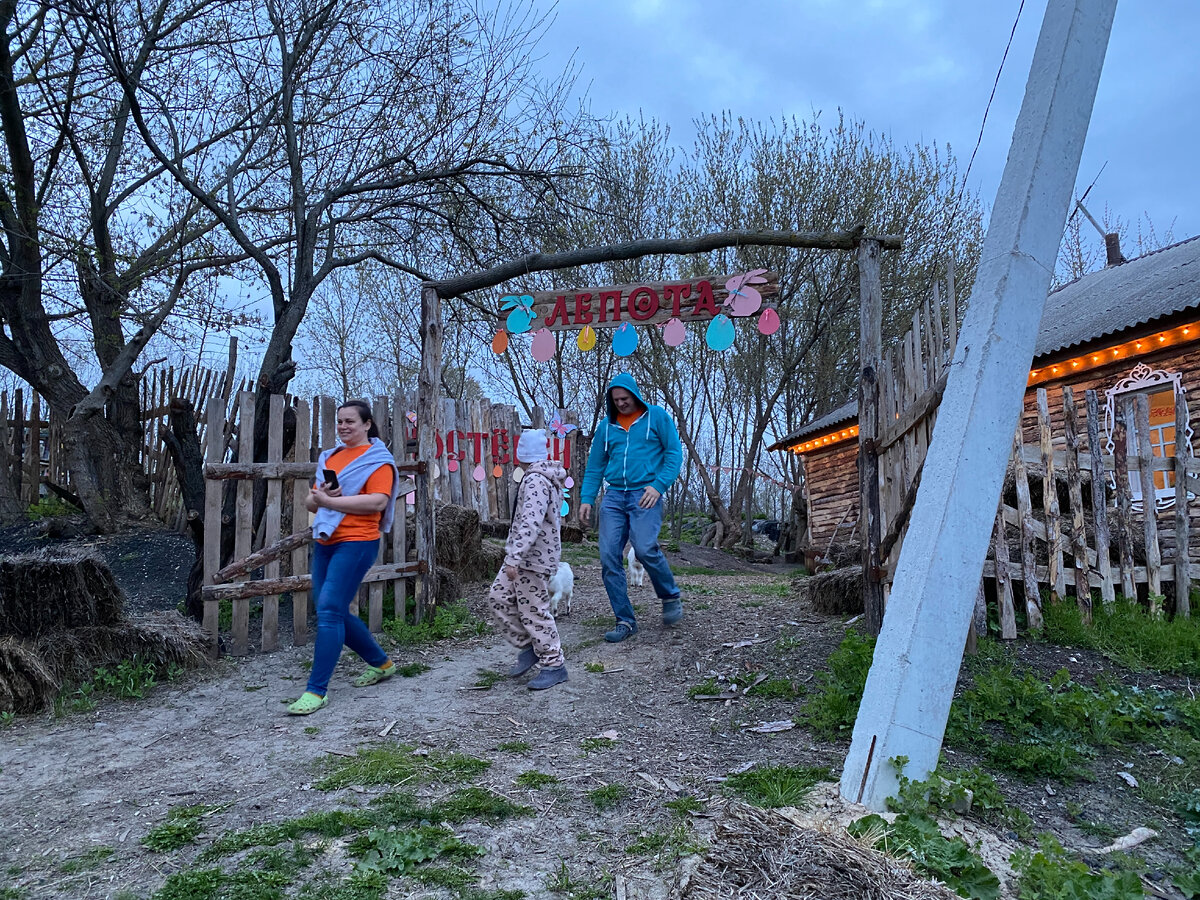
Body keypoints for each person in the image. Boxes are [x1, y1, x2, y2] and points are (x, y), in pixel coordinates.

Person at [287, 400, 401, 715]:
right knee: (333, 609)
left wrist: (332, 502)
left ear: (367, 424)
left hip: (358, 542)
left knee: (328, 611)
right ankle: (382, 664)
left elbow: (378, 501)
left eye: (350, 421)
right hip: (327, 540)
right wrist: (321, 497)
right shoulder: (331, 457)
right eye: (339, 422)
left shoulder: (377, 460)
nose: (343, 427)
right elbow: (312, 502)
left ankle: (316, 691)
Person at [580, 373, 683, 642]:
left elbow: (674, 453)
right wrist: (587, 498)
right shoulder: (606, 427)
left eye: (625, 398)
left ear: (635, 395)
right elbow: (595, 466)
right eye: (616, 400)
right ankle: (625, 620)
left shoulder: (657, 418)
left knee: (645, 546)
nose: (621, 404)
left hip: (645, 494)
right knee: (608, 557)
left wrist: (659, 485)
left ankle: (670, 595)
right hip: (614, 496)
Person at [488, 428, 569, 689]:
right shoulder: (536, 477)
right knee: (499, 596)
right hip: (522, 556)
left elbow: (530, 522)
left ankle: (554, 664)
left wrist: (514, 558)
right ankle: (531, 646)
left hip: (531, 558)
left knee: (534, 611)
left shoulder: (536, 480)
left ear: (523, 453)